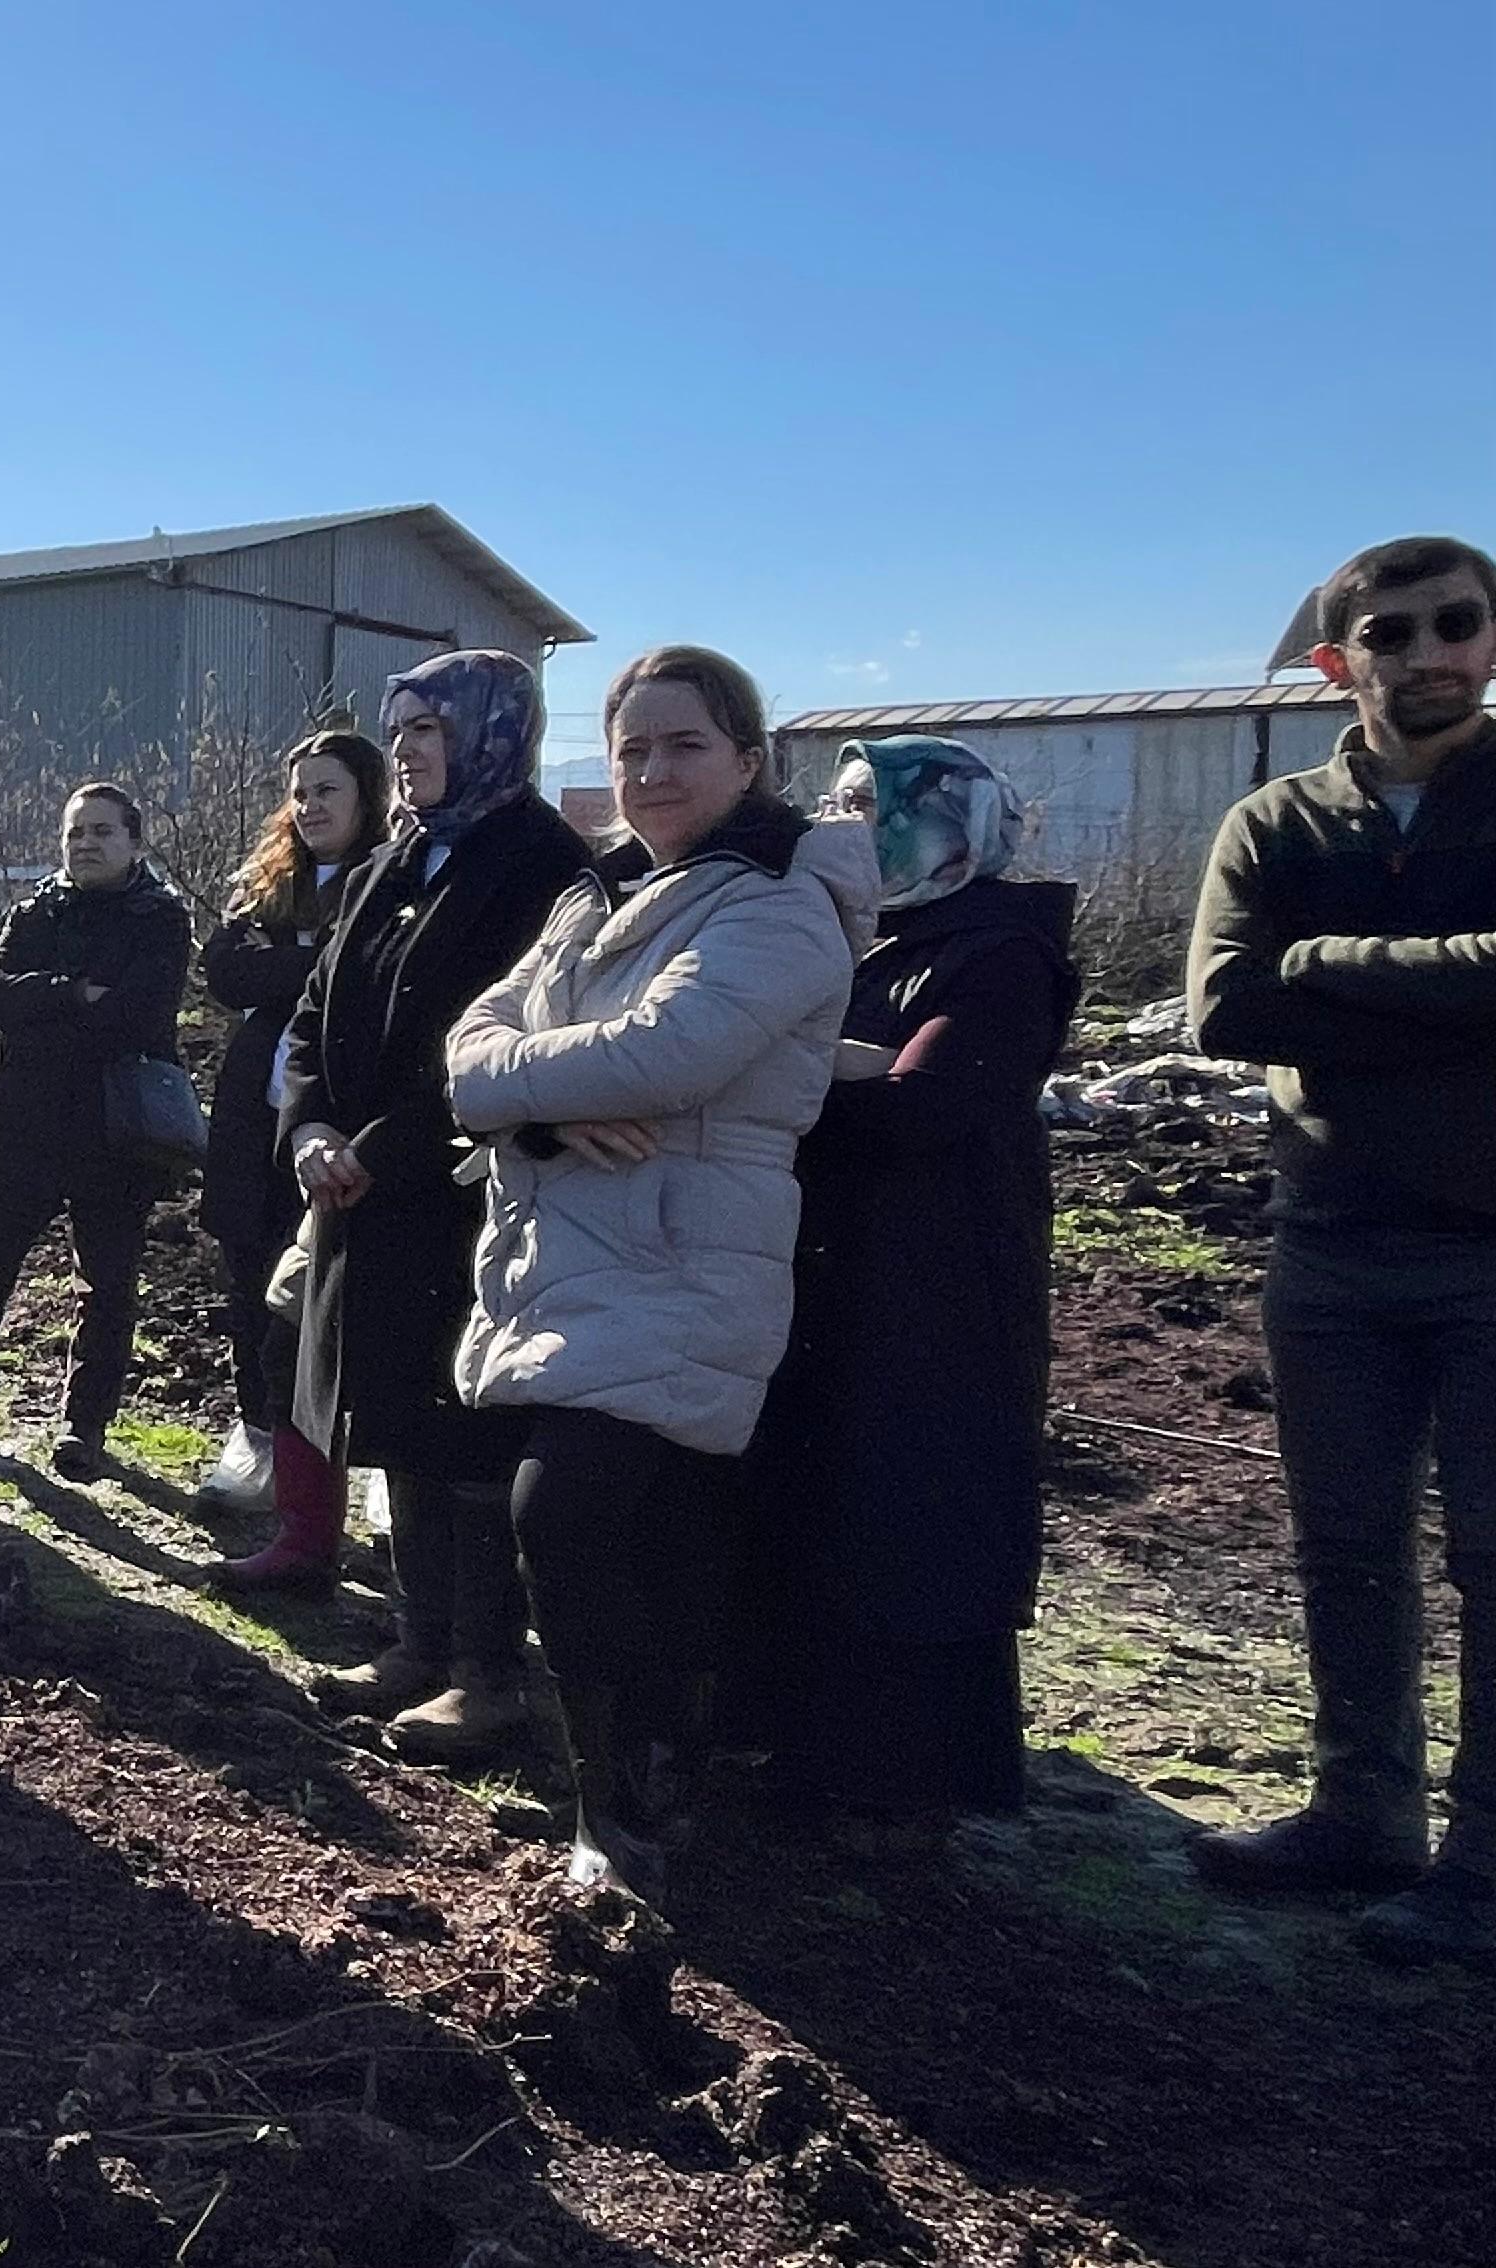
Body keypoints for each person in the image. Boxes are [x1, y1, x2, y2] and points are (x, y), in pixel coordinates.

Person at [446, 644, 873, 1905]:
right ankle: (650, 1783)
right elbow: (466, 1052)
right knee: (653, 1528)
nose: (651, 772)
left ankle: (623, 1805)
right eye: (631, 748)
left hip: (687, 1246)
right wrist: (542, 1111)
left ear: (749, 760)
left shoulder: (778, 900)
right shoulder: (597, 897)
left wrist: (530, 1088)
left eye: (684, 745)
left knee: (566, 1512)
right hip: (566, 1248)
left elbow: (668, 1053)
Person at [1185, 532, 1496, 1968]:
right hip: (1332, 1244)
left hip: (1490, 1246)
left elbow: (1283, 987)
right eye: (1394, 633)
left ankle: (1482, 1866)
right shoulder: (1276, 824)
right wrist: (1453, 998)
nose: (1431, 654)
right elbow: (1227, 1009)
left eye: (1458, 623)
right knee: (1348, 1548)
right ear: (1337, 661)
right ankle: (1360, 1813)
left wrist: (1326, 965)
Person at [745, 735, 1077, 1823]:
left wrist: (762, 1079)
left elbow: (922, 1107)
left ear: (948, 825)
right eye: (837, 804)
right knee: (823, 1493)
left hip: (937, 1281)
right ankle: (807, 1745)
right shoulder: (852, 937)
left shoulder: (998, 953)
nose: (844, 826)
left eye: (872, 807)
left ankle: (914, 1778)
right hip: (831, 1261)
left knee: (915, 1505)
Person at [285, 649, 594, 1761]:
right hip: (361, 1196)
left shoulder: (546, 867)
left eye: (430, 729)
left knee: (469, 1437)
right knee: (397, 1422)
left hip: (468, 1200)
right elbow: (316, 1012)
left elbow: (517, 1035)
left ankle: (486, 1672)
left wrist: (383, 1148)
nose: (407, 750)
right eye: (401, 729)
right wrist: (309, 1127)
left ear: (493, 734)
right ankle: (418, 1642)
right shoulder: (396, 858)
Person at [0, 784, 193, 1481]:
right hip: (25, 1123)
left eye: (102, 831)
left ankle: (85, 1428)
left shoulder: (161, 919)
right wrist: (73, 992)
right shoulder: (36, 908)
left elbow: (137, 1013)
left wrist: (43, 1002)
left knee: (106, 1285)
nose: (86, 844)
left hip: (117, 1132)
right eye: (76, 832)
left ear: (135, 842)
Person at [198, 730, 382, 1590]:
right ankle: (261, 1441)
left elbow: (362, 983)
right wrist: (314, 962)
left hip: (341, 1122)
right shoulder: (270, 880)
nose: (309, 807)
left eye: (327, 789)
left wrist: (296, 962)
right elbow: (226, 971)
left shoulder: (388, 879)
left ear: (367, 796)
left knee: (338, 1297)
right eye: (299, 792)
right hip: (254, 1121)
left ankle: (366, 1468)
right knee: (249, 1280)